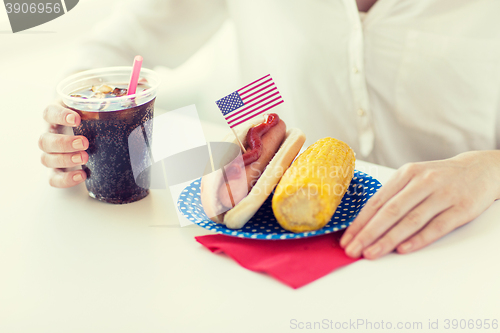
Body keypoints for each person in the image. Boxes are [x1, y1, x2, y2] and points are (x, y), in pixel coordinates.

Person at [39, 0, 500, 260]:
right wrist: (70, 123)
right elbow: (116, 43)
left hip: (461, 244)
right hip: (267, 250)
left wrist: (490, 168)